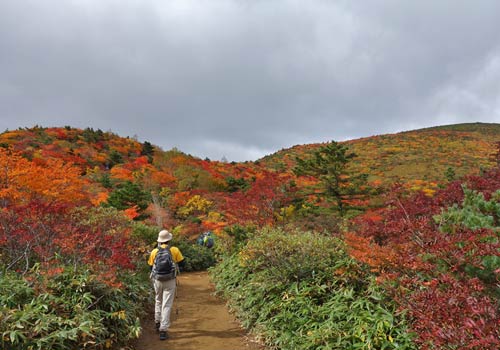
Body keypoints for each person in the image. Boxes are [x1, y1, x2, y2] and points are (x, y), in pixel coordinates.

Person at [148, 229, 185, 340]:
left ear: (160, 240)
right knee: (167, 304)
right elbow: (182, 263)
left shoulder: (154, 251)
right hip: (170, 280)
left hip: (157, 280)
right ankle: (163, 330)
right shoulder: (174, 250)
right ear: (169, 239)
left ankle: (157, 323)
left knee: (158, 300)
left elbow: (150, 267)